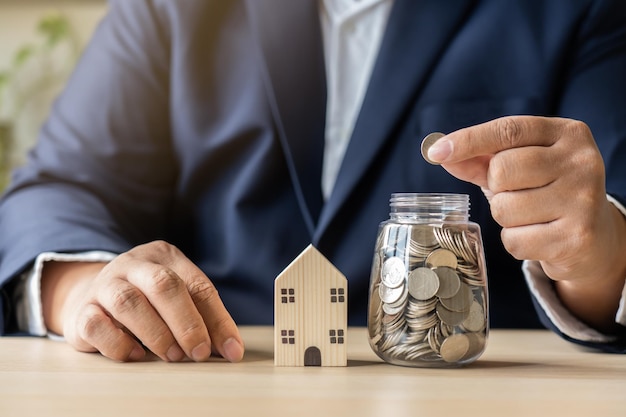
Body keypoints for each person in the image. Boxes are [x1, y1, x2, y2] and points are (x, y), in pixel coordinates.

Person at [1, 0, 625, 363]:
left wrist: (596, 259)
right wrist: (87, 288)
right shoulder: (171, 10)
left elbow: (610, 217)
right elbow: (58, 189)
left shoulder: (579, 8)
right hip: (212, 370)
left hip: (462, 381)